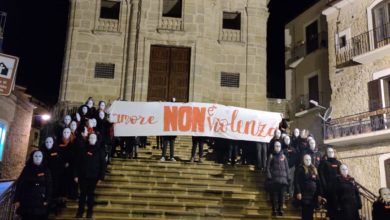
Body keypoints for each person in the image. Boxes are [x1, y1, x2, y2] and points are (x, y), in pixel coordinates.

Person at [74, 133, 106, 218]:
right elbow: (77, 163)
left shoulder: (100, 150)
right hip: (83, 176)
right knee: (82, 195)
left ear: (96, 139)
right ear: (88, 139)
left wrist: (101, 177)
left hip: (93, 177)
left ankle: (89, 212)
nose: (92, 139)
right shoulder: (83, 149)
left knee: (90, 195)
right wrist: (76, 175)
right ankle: (80, 211)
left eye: (93, 138)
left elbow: (103, 165)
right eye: (90, 138)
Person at [14, 150, 52, 220]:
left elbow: (49, 185)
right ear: (32, 157)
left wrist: (47, 199)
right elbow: (20, 184)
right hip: (26, 201)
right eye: (36, 156)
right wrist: (17, 199)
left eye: (40, 156)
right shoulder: (27, 169)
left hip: (40, 201)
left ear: (42, 158)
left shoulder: (46, 170)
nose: (38, 158)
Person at [40, 136, 65, 214]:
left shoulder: (57, 151)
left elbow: (60, 164)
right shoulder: (41, 152)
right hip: (44, 177)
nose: (48, 144)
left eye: (50, 142)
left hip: (55, 177)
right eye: (47, 142)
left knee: (54, 193)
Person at [294, 154, 322, 220]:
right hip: (304, 195)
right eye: (306, 159)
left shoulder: (314, 169)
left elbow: (318, 182)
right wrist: (298, 192)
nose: (308, 161)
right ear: (303, 160)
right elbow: (296, 182)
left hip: (313, 195)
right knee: (305, 214)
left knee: (311, 214)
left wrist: (320, 194)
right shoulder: (300, 169)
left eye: (309, 159)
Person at [318, 147, 342, 220]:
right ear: (326, 153)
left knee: (339, 209)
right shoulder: (323, 163)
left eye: (332, 151)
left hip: (338, 189)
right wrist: (324, 187)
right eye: (329, 151)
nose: (331, 152)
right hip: (328, 190)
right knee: (331, 210)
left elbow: (341, 174)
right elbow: (321, 176)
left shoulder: (338, 163)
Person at [267, 141, 290, 216]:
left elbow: (287, 168)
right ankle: (274, 209)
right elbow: (268, 167)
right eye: (276, 146)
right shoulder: (271, 156)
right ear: (274, 147)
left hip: (283, 180)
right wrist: (269, 175)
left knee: (282, 196)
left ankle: (280, 209)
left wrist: (288, 177)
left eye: (279, 146)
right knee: (275, 196)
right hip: (274, 179)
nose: (278, 147)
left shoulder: (283, 156)